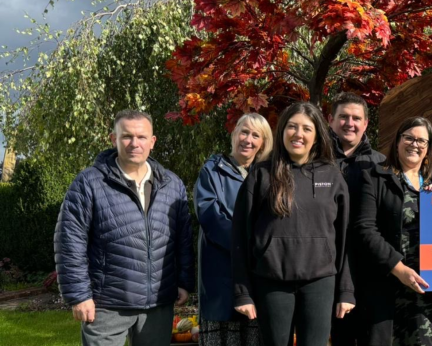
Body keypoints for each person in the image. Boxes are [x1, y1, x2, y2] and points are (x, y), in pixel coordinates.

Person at [54, 110, 194, 346]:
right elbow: (69, 242)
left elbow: (183, 240)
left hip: (158, 306)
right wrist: (79, 296)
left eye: (141, 137)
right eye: (127, 136)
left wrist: (184, 281)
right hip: (107, 305)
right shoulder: (89, 183)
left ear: (152, 142)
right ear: (113, 139)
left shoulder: (172, 184)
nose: (134, 143)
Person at [231, 102, 355, 346]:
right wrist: (242, 292)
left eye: (307, 129)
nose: (298, 134)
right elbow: (239, 236)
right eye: (292, 127)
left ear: (317, 135)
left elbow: (345, 238)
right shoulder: (261, 174)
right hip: (271, 281)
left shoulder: (332, 175)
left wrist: (346, 290)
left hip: (320, 281)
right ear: (281, 132)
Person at [353, 116, 432, 346]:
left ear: (428, 149)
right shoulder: (376, 177)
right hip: (389, 288)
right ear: (397, 141)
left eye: (422, 141)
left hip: (431, 293)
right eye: (409, 138)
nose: (415, 144)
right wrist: (398, 269)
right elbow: (365, 229)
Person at [195, 113, 273, 346]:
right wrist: (247, 244)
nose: (248, 139)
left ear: (263, 142)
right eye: (244, 132)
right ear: (234, 134)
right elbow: (210, 216)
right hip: (221, 274)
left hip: (257, 275)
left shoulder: (268, 174)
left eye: (255, 135)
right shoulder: (212, 170)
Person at [327, 93, 386, 346]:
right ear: (330, 120)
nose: (349, 123)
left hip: (370, 269)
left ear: (365, 124)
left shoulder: (381, 164)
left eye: (356, 118)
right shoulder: (316, 160)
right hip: (327, 266)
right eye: (343, 117)